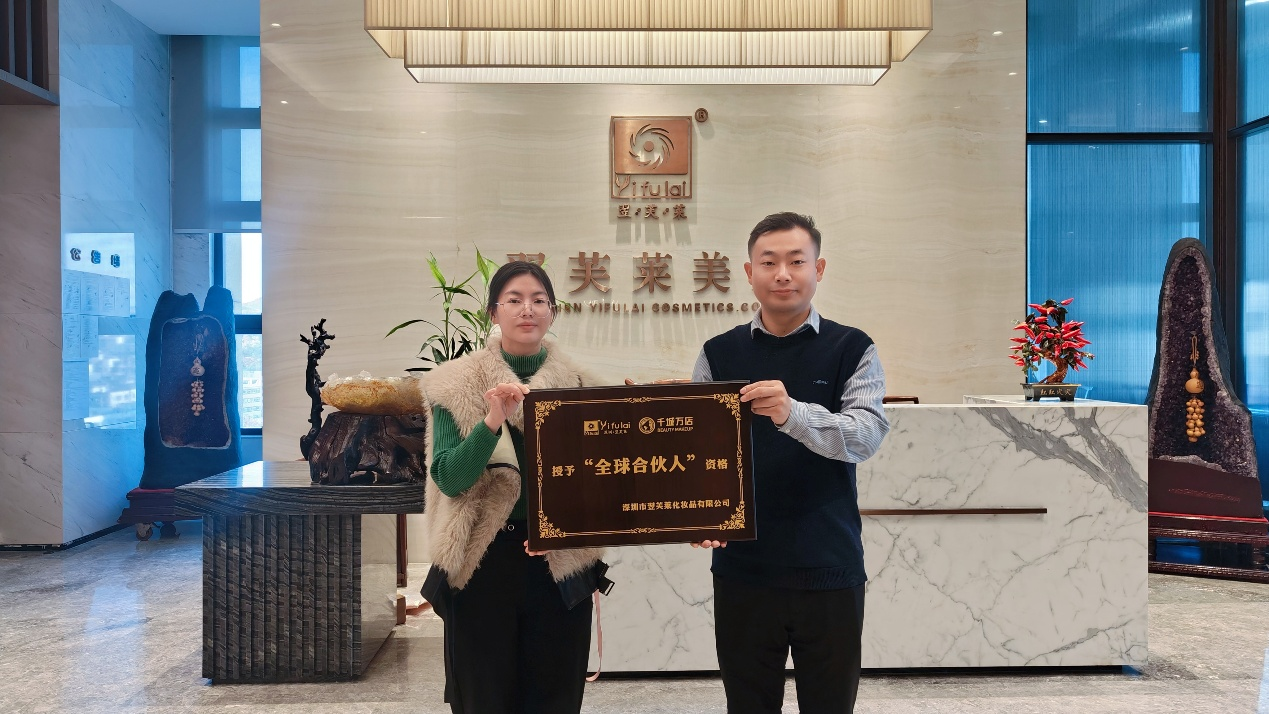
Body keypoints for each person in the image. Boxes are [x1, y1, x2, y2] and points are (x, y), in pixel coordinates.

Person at [691, 212, 890, 714]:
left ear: (818, 269)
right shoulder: (718, 353)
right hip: (743, 571)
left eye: (796, 261)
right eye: (769, 262)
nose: (783, 274)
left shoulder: (853, 348)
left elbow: (865, 436)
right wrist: (698, 513)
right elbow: (699, 455)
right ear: (748, 272)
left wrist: (792, 414)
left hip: (829, 567)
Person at [420, 260, 609, 714]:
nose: (528, 309)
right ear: (493, 312)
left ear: (553, 312)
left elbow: (601, 483)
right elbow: (450, 478)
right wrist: (491, 422)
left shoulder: (582, 386)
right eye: (514, 300)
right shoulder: (454, 384)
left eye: (539, 300)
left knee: (556, 695)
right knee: (483, 695)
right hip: (482, 561)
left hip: (558, 561)